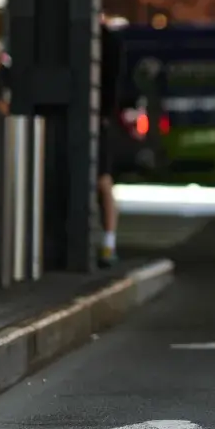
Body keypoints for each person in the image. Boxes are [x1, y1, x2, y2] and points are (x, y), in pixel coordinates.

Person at [97, 25, 120, 268]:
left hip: (99, 119)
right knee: (103, 181)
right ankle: (108, 242)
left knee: (102, 181)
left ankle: (108, 242)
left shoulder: (107, 40)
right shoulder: (109, 39)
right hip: (99, 117)